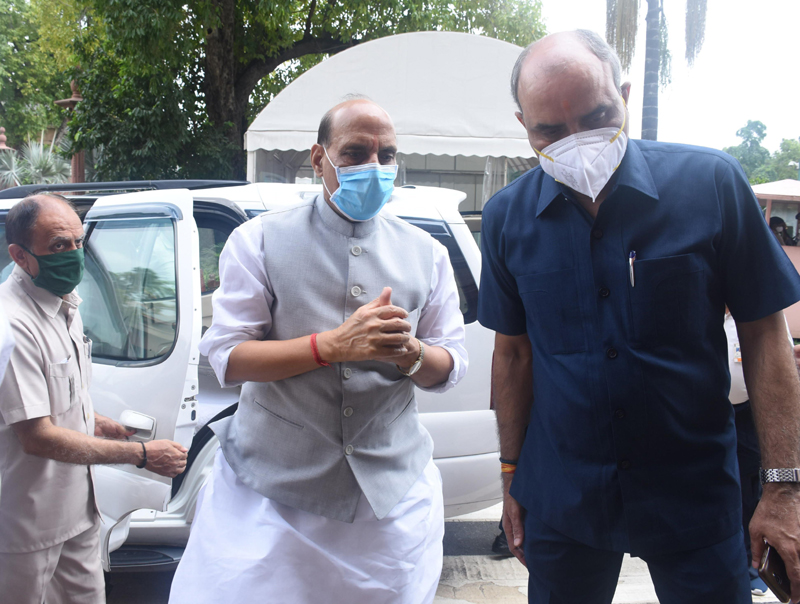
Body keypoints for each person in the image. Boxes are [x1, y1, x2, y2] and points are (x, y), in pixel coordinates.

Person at [478, 30, 800, 604]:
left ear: (624, 95)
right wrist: (510, 476)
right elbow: (514, 353)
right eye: (550, 130)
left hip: (694, 494)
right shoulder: (507, 217)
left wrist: (784, 489)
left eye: (597, 117)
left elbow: (765, 336)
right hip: (564, 496)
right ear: (523, 124)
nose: (578, 142)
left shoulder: (711, 185)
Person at [169, 98, 467, 604]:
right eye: (355, 153)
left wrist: (409, 353)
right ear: (318, 158)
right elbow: (229, 357)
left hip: (389, 501)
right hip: (271, 497)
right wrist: (330, 346)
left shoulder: (428, 253)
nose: (374, 167)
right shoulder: (258, 240)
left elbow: (450, 366)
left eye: (387, 155)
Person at [0, 194, 188, 604]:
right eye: (58, 245)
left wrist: (95, 420)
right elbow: (37, 436)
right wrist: (140, 455)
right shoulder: (11, 324)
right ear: (20, 255)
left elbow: (60, 394)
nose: (73, 254)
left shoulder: (66, 303)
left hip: (79, 511)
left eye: (78, 242)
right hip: (26, 525)